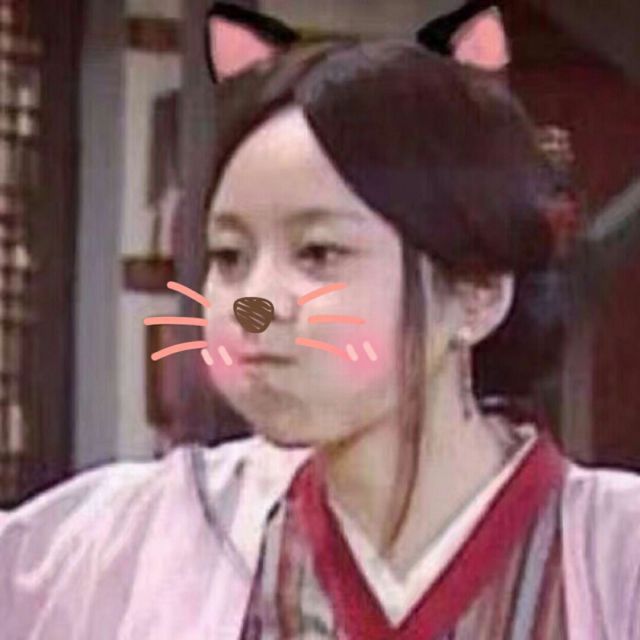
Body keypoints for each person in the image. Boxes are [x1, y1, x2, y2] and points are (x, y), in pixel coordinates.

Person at [2, 3, 639, 638]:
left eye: (318, 253)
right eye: (230, 256)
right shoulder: (148, 539)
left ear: (476, 294)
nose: (254, 306)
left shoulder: (615, 558)